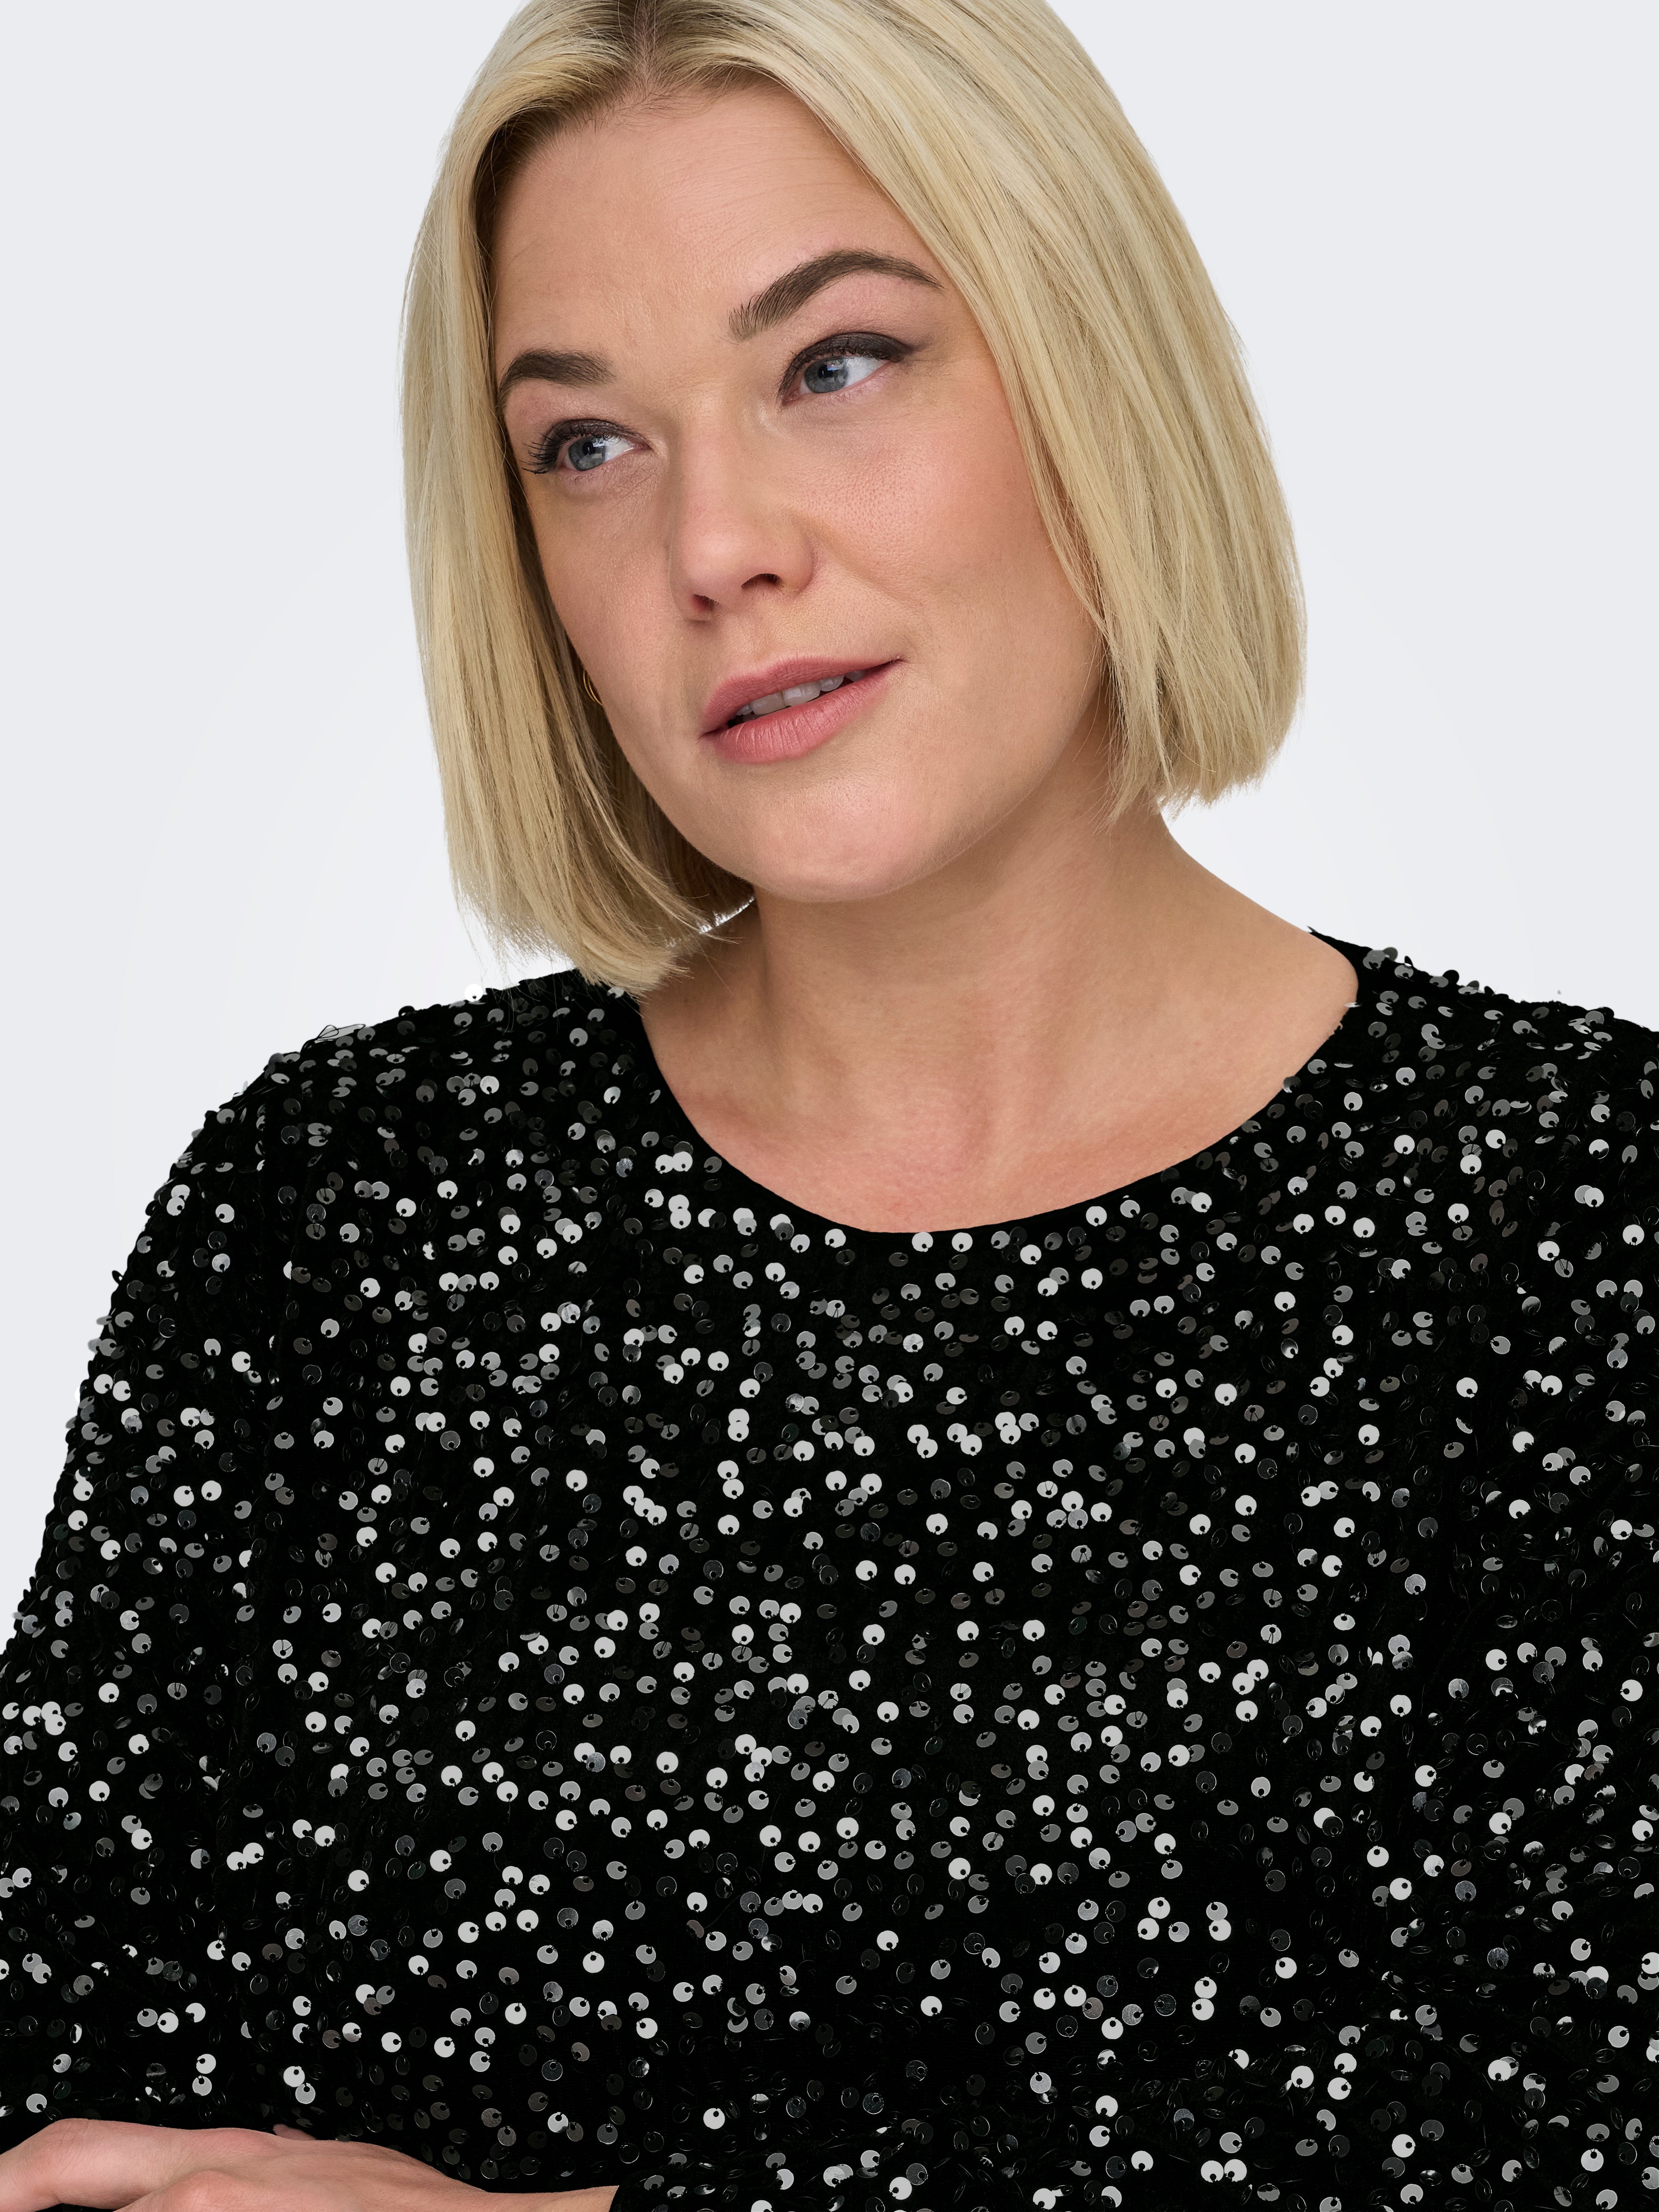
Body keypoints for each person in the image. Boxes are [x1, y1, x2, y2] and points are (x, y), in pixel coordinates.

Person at [0, 0, 1652, 2205]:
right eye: (589, 443)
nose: (717, 545)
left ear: (1091, 368)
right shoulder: (338, 1218)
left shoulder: (1572, 1221)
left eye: (836, 362)